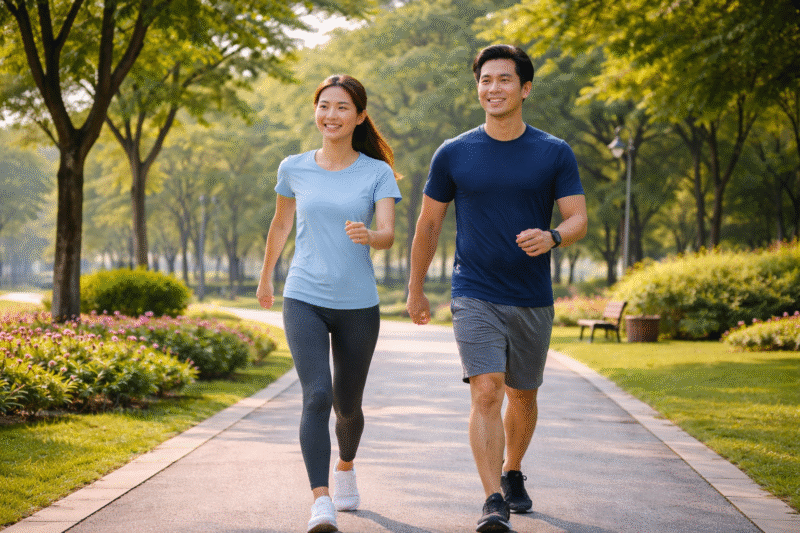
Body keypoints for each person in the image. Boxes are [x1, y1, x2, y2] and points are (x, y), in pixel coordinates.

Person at [406, 44, 587, 532]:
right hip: (474, 290)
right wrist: (416, 288)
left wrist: (552, 236)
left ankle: (512, 470)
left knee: (522, 393)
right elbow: (428, 225)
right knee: (486, 389)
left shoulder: (553, 152)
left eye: (504, 80)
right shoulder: (454, 152)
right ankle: (492, 500)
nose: (493, 88)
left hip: (531, 295)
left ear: (524, 88)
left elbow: (578, 219)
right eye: (485, 80)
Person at [256, 74, 402, 533]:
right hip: (304, 296)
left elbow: (388, 234)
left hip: (359, 304)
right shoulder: (294, 167)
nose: (331, 115)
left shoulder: (376, 172)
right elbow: (280, 226)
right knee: (316, 395)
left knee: (348, 405)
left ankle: (346, 466)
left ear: (359, 116)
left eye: (342, 107)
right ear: (315, 111)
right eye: (324, 106)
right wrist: (266, 278)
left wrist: (369, 236)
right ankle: (321, 501)